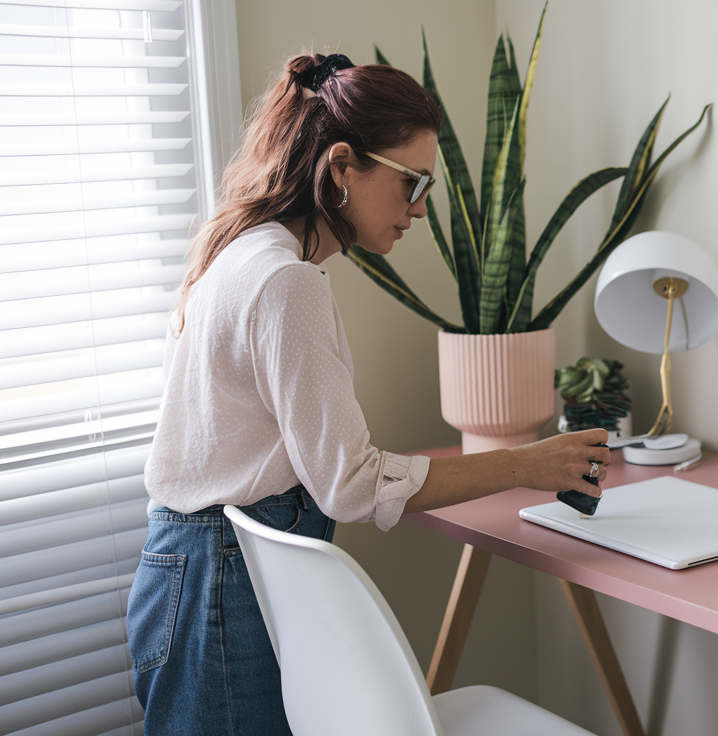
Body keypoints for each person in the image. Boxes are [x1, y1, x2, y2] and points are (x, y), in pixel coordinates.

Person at [126, 52, 609, 735]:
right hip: (216, 592)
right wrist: (529, 465)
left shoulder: (244, 251)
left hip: (186, 572)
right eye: (410, 183)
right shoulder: (285, 282)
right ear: (342, 165)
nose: (418, 210)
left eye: (428, 190)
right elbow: (349, 485)